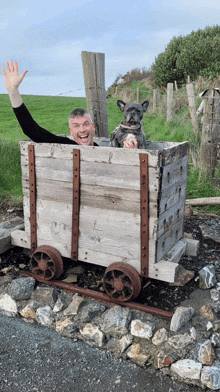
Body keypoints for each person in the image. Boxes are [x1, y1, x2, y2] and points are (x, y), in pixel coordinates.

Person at [1, 60, 98, 146]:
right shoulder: (66, 146)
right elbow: (33, 131)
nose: (82, 130)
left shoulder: (107, 152)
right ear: (71, 131)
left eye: (86, 124)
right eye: (76, 126)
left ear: (93, 127)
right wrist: (13, 91)